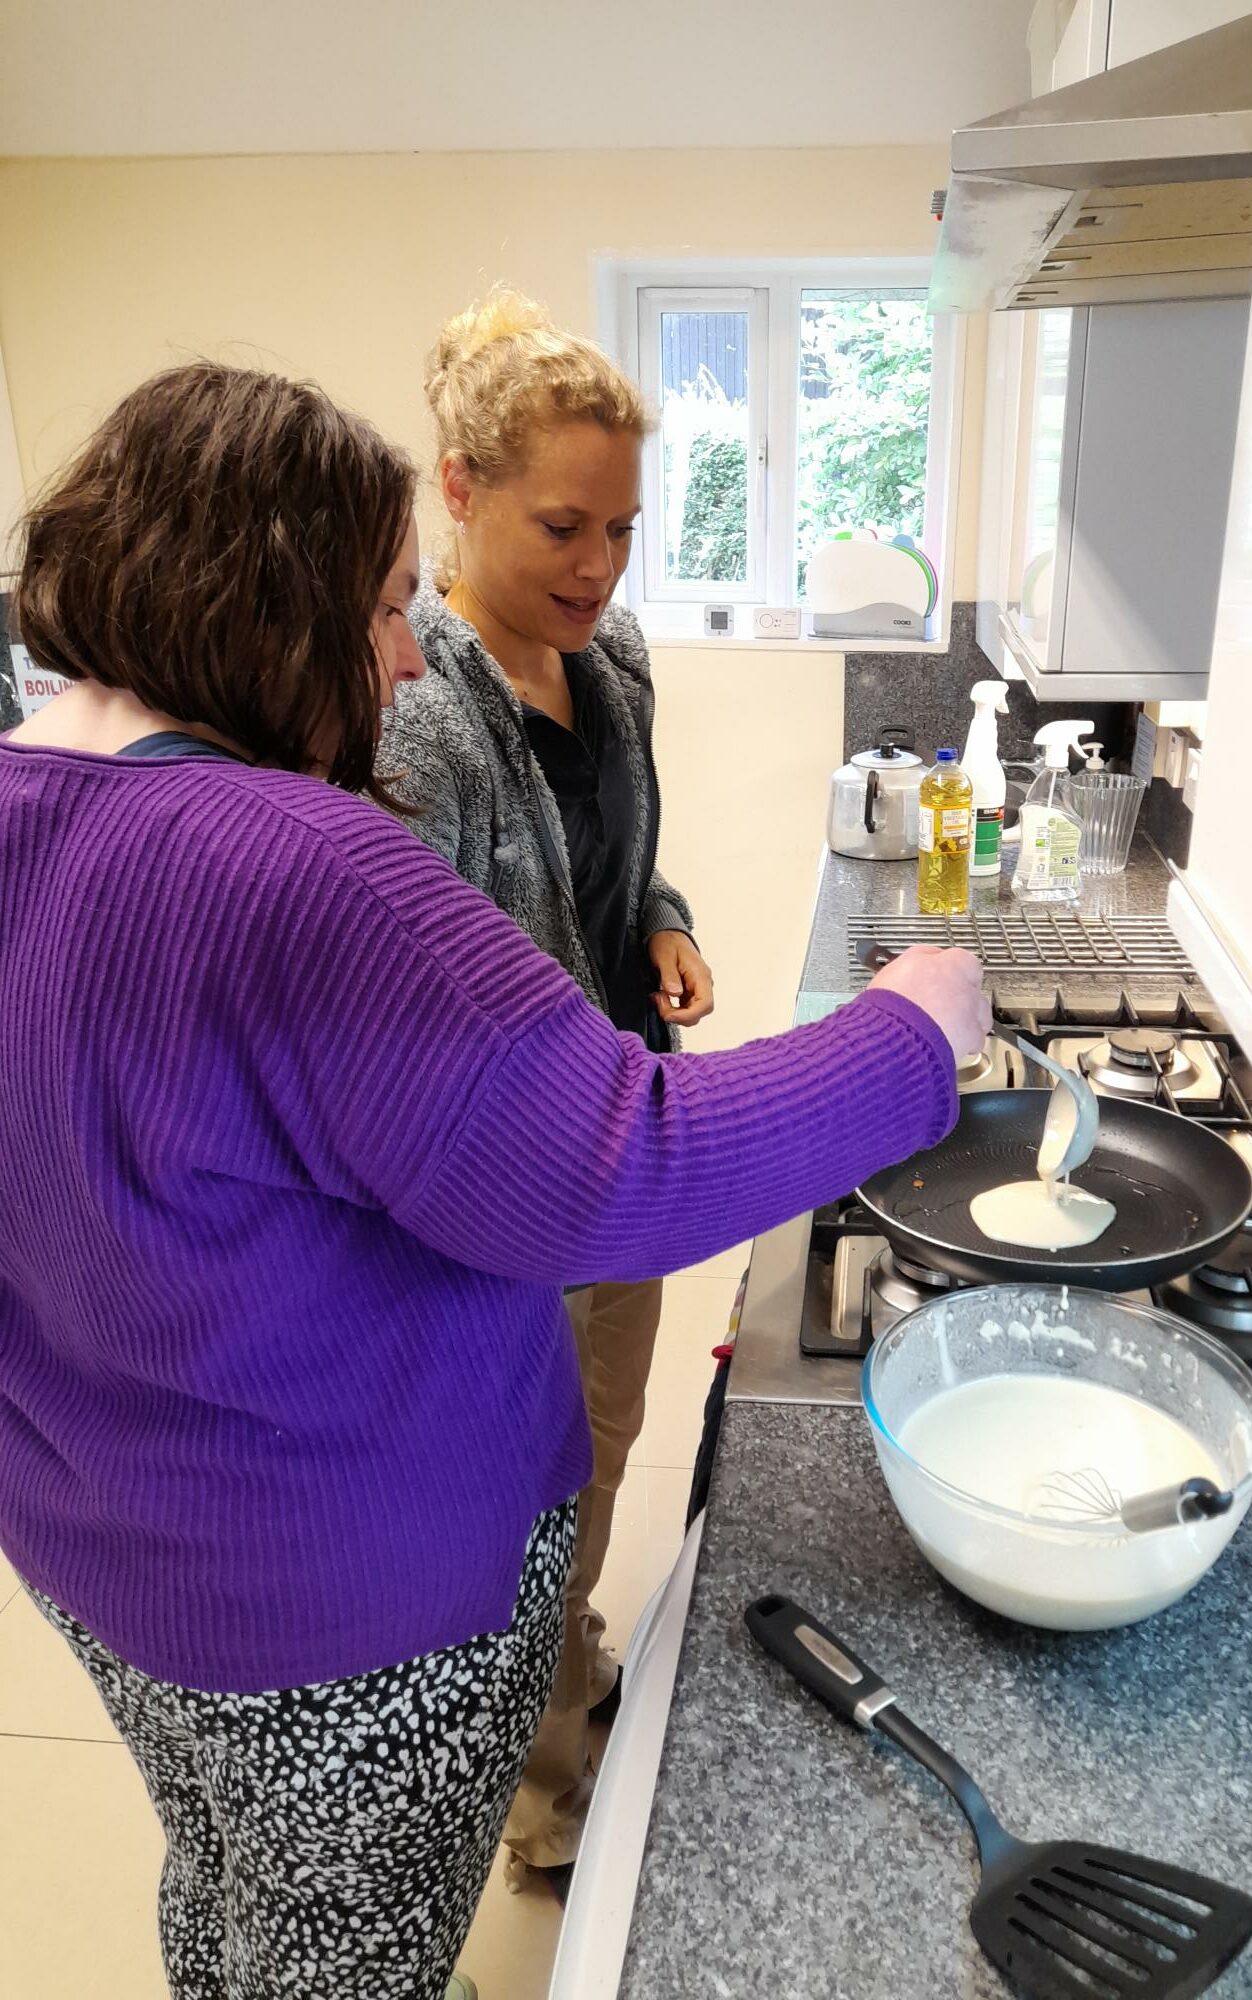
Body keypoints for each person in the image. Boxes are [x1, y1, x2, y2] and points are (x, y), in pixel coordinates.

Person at [0, 360, 987, 2000]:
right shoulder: (301, 869)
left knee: (230, 1871)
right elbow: (617, 1162)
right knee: (352, 1957)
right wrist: (909, 1037)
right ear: (263, 597)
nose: (402, 658)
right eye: (381, 609)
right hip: (353, 1610)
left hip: (108, 1558)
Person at [376, 289, 708, 1889]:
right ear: (460, 488)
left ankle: (561, 1696)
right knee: (538, 1503)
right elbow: (411, 1009)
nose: (598, 569)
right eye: (564, 526)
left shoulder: (614, 655)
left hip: (625, 1143)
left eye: (624, 531)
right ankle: (548, 1805)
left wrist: (662, 921)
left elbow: (617, 854)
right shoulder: (413, 721)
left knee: (601, 1459)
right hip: (518, 1197)